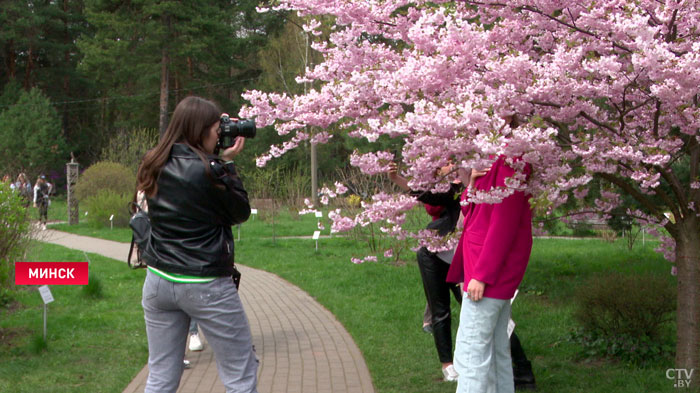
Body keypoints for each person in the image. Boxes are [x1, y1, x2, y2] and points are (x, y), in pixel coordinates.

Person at [135, 96, 257, 393]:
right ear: (200, 129)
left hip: (159, 281)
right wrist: (227, 165)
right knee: (240, 374)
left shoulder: (154, 162)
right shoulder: (211, 170)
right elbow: (240, 212)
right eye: (217, 128)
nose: (220, 134)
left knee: (161, 375)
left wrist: (218, 160)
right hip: (206, 284)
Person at [447, 153, 535, 393]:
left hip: (488, 272)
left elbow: (503, 223)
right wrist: (473, 185)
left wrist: (482, 275)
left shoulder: (511, 161)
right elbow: (472, 214)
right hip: (481, 266)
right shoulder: (491, 158)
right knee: (496, 351)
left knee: (471, 352)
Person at [388, 163, 464, 382]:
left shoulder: (482, 191)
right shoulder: (453, 190)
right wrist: (397, 179)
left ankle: (520, 369)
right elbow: (426, 197)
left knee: (474, 308)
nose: (453, 167)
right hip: (435, 254)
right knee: (440, 310)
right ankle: (448, 366)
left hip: (463, 257)